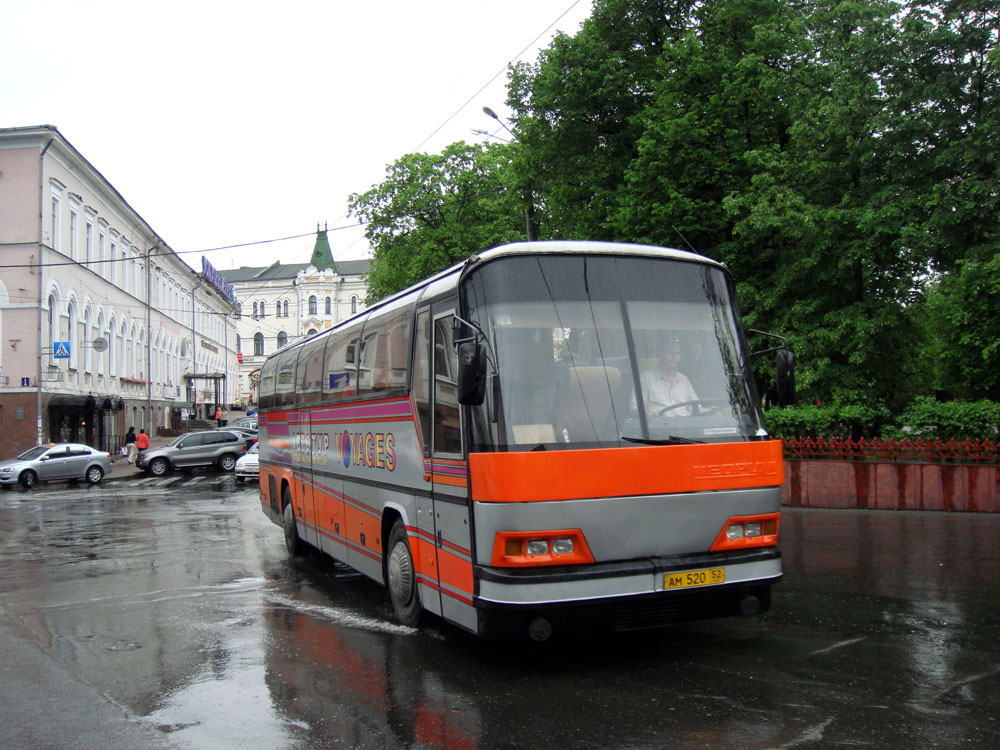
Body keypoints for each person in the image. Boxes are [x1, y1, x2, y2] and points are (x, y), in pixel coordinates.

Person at [635, 339, 699, 417]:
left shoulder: (684, 380)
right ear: (660, 355)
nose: (674, 357)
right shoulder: (645, 378)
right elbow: (635, 410)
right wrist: (651, 416)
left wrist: (711, 410)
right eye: (670, 352)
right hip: (657, 427)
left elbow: (696, 408)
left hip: (686, 426)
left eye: (677, 353)